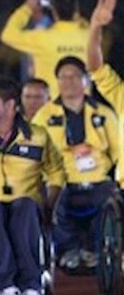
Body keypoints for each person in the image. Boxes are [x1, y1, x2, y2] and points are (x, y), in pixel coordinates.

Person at [0, 76, 64, 295]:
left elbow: (56, 172)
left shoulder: (38, 136)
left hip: (21, 204)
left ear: (9, 106)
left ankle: (30, 285)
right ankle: (3, 285)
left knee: (26, 205)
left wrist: (49, 205)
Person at [31, 56, 118, 272]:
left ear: (86, 81)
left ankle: (94, 252)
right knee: (51, 202)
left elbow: (119, 151)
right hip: (62, 180)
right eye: (63, 77)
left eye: (74, 76)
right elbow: (34, 152)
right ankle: (68, 251)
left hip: (97, 180)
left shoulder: (104, 114)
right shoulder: (44, 115)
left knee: (110, 200)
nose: (68, 82)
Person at [0, 0, 89, 94]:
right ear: (76, 9)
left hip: (50, 104)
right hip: (82, 103)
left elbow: (8, 35)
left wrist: (27, 9)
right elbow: (85, 24)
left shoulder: (41, 38)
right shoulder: (89, 35)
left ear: (54, 11)